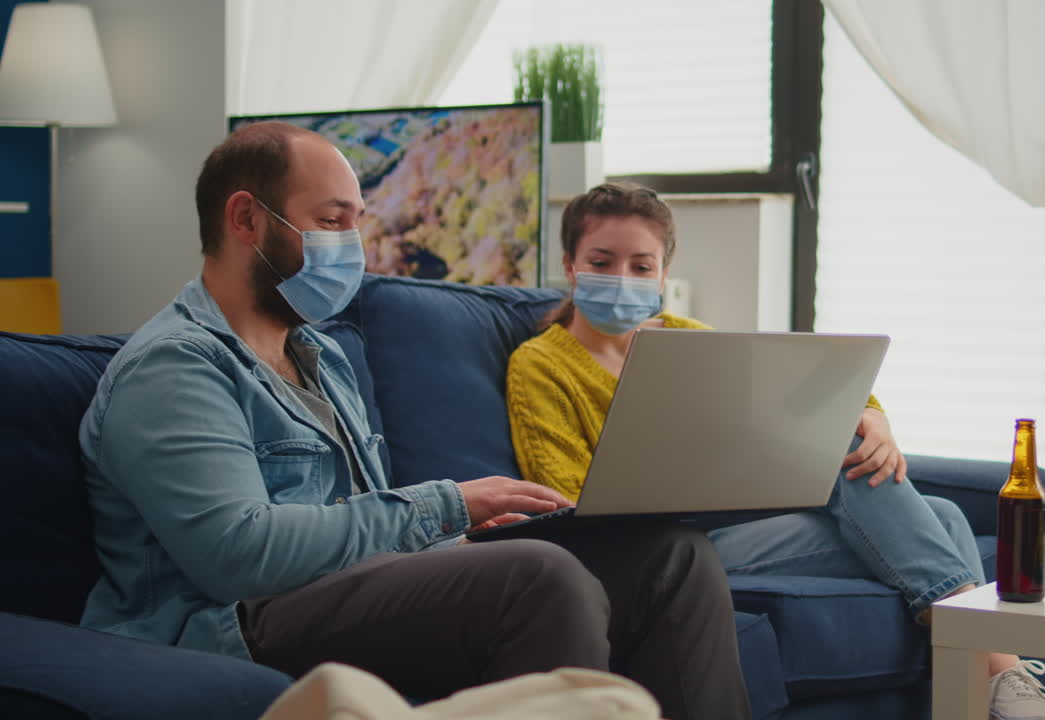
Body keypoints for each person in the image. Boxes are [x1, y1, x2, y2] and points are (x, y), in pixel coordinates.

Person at [77, 124, 749, 720]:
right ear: (246, 220)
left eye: (356, 224)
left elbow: (359, 517)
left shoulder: (318, 354)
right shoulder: (175, 368)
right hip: (234, 622)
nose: (353, 248)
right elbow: (239, 556)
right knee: (539, 579)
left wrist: (458, 536)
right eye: (333, 221)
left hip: (345, 587)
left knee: (672, 558)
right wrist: (447, 504)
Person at [505, 182, 1045, 720]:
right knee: (926, 517)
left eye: (641, 266)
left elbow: (812, 390)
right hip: (660, 549)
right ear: (570, 264)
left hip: (738, 521)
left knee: (931, 507)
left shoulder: (686, 338)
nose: (621, 278)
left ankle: (983, 688)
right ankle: (1002, 672)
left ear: (663, 275)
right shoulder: (541, 364)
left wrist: (875, 417)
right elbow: (565, 504)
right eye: (601, 262)